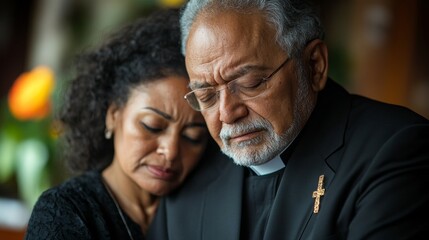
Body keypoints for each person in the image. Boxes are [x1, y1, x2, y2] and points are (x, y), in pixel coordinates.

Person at [146, 1, 429, 239]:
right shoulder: (190, 164)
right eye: (206, 96)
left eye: (251, 83)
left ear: (314, 65)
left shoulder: (396, 149)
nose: (227, 113)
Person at [24, 9, 211, 240]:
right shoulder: (65, 211)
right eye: (152, 126)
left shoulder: (209, 206)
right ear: (112, 114)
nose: (171, 151)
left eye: (193, 137)